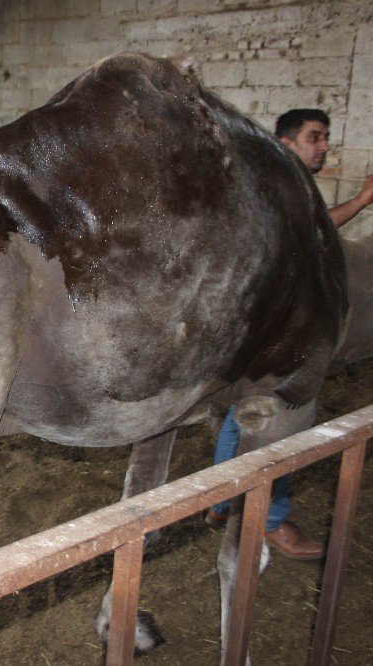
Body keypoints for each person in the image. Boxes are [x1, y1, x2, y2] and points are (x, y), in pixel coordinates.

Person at [206, 109, 373, 559]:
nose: (323, 146)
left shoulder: (283, 185)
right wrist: (359, 202)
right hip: (278, 327)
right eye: (314, 137)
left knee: (246, 410)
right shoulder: (280, 189)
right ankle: (270, 520)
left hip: (265, 321)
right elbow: (312, 236)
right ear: (286, 144)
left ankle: (223, 500)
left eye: (325, 137)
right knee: (285, 411)